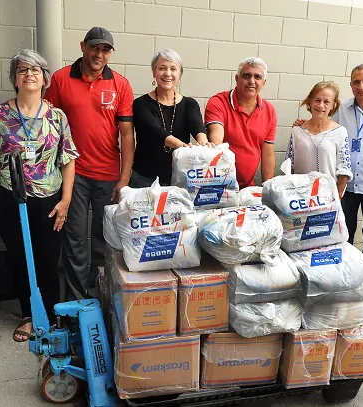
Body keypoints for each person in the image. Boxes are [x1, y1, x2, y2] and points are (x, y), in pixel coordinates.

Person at [0, 49, 79, 341]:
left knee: (48, 260)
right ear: (14, 78)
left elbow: (68, 159)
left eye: (35, 70)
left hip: (49, 199)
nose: (29, 75)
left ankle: (49, 314)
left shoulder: (57, 116)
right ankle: (28, 315)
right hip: (8, 198)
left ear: (44, 78)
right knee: (21, 258)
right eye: (23, 70)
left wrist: (65, 200)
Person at [44, 27, 134, 298]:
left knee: (104, 241)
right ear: (83, 46)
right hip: (74, 176)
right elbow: (48, 125)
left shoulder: (120, 84)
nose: (99, 53)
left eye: (105, 49)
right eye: (94, 47)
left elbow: (127, 135)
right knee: (74, 242)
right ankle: (77, 302)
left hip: (107, 175)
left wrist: (124, 178)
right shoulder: (61, 79)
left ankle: (101, 297)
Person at [294, 65, 363, 277]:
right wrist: (303, 124)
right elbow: (322, 124)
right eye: (356, 82)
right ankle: (343, 279)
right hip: (344, 188)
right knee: (342, 237)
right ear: (351, 85)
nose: (361, 86)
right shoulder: (342, 109)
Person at [131, 49, 211, 187]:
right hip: (144, 179)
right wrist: (183, 146)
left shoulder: (189, 104)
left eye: (173, 69)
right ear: (154, 72)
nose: (168, 73)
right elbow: (156, 132)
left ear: (179, 74)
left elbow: (198, 128)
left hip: (179, 179)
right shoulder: (140, 104)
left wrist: (204, 145)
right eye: (162, 68)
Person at [205, 57, 277, 188]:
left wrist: (268, 189)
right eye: (247, 76)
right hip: (218, 184)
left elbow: (268, 155)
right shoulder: (218, 102)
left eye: (257, 77)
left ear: (264, 82)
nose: (251, 81)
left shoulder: (269, 111)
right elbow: (216, 138)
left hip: (247, 187)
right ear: (237, 78)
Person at [286, 81, 352, 198]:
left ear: (333, 105)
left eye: (326, 102)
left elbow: (344, 169)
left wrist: (338, 196)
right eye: (317, 100)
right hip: (299, 198)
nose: (321, 105)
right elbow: (289, 165)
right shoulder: (297, 130)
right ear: (310, 102)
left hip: (326, 199)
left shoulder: (340, 132)